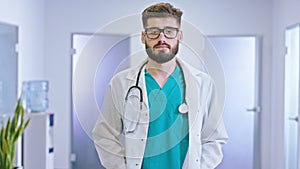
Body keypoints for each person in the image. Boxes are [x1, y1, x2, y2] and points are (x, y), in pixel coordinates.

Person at [92, 2, 228, 169]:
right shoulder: (121, 83)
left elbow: (215, 138)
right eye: (153, 32)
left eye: (169, 32)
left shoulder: (203, 83)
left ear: (179, 36)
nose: (162, 38)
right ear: (144, 37)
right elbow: (104, 135)